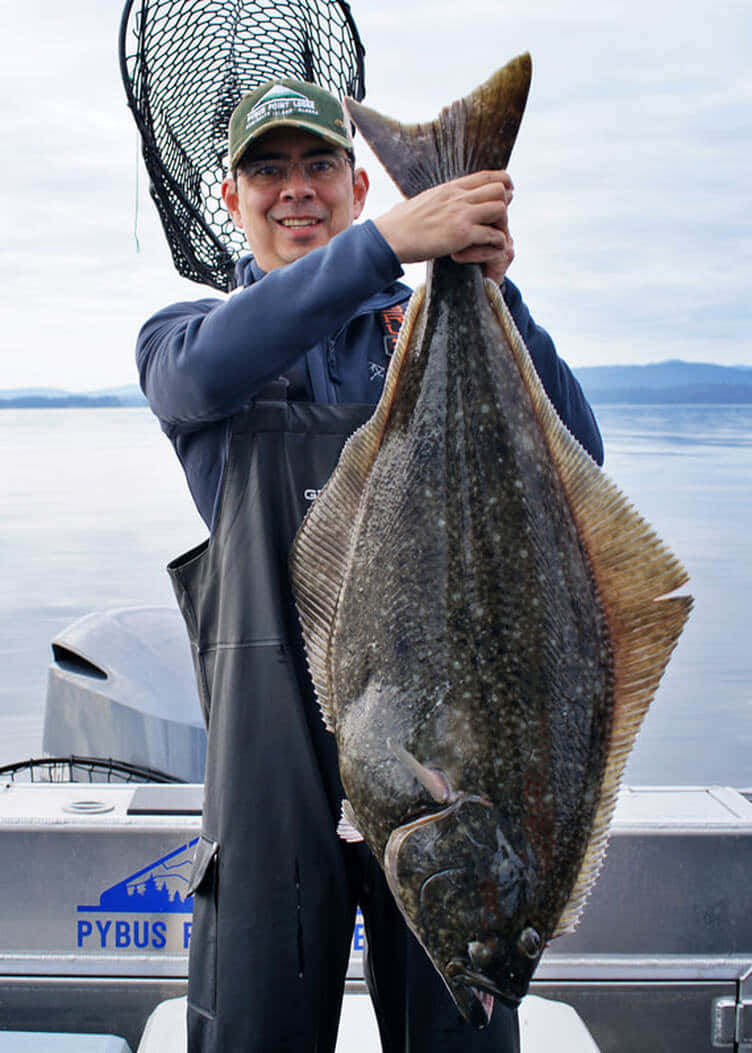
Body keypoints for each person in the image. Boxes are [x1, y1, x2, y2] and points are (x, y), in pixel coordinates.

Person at [137, 78, 603, 1053]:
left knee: (462, 1032)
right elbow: (198, 376)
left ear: (354, 181)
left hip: (443, 760)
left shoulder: (427, 327)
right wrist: (388, 243)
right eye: (268, 169)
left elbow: (576, 464)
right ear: (232, 196)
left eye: (316, 166)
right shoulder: (191, 343)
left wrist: (489, 288)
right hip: (271, 779)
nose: (293, 189)